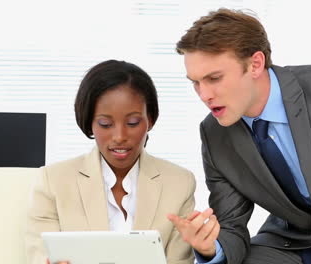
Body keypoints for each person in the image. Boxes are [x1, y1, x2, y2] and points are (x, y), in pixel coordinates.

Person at [167, 8, 311, 264]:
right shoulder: (214, 134)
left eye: (214, 78)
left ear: (255, 64)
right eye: (195, 82)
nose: (204, 94)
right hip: (293, 246)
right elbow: (232, 226)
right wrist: (211, 247)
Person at [26, 60, 196, 264]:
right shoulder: (53, 181)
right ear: (90, 123)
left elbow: (179, 261)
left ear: (149, 120)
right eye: (105, 124)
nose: (120, 136)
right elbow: (39, 255)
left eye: (132, 123)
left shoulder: (179, 183)